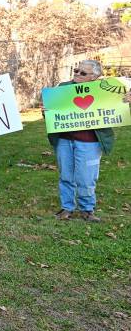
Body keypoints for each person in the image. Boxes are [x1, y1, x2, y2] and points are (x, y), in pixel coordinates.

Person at [47, 60, 125, 223]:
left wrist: (125, 102)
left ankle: (87, 209)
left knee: (86, 178)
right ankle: (67, 207)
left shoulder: (105, 91)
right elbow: (53, 113)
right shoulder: (63, 88)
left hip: (90, 142)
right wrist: (47, 111)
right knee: (66, 175)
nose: (77, 74)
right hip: (64, 140)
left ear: (94, 77)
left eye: (83, 73)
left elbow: (116, 109)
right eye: (76, 70)